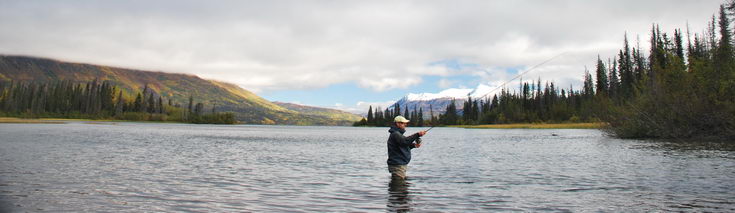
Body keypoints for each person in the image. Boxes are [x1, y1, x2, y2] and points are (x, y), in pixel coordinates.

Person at [387, 115, 427, 180]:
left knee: (399, 186)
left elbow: (402, 145)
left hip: (399, 164)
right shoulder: (395, 134)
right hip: (397, 165)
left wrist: (414, 145)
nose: (405, 124)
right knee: (399, 187)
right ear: (397, 123)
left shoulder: (397, 134)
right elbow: (405, 142)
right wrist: (417, 134)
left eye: (405, 123)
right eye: (403, 123)